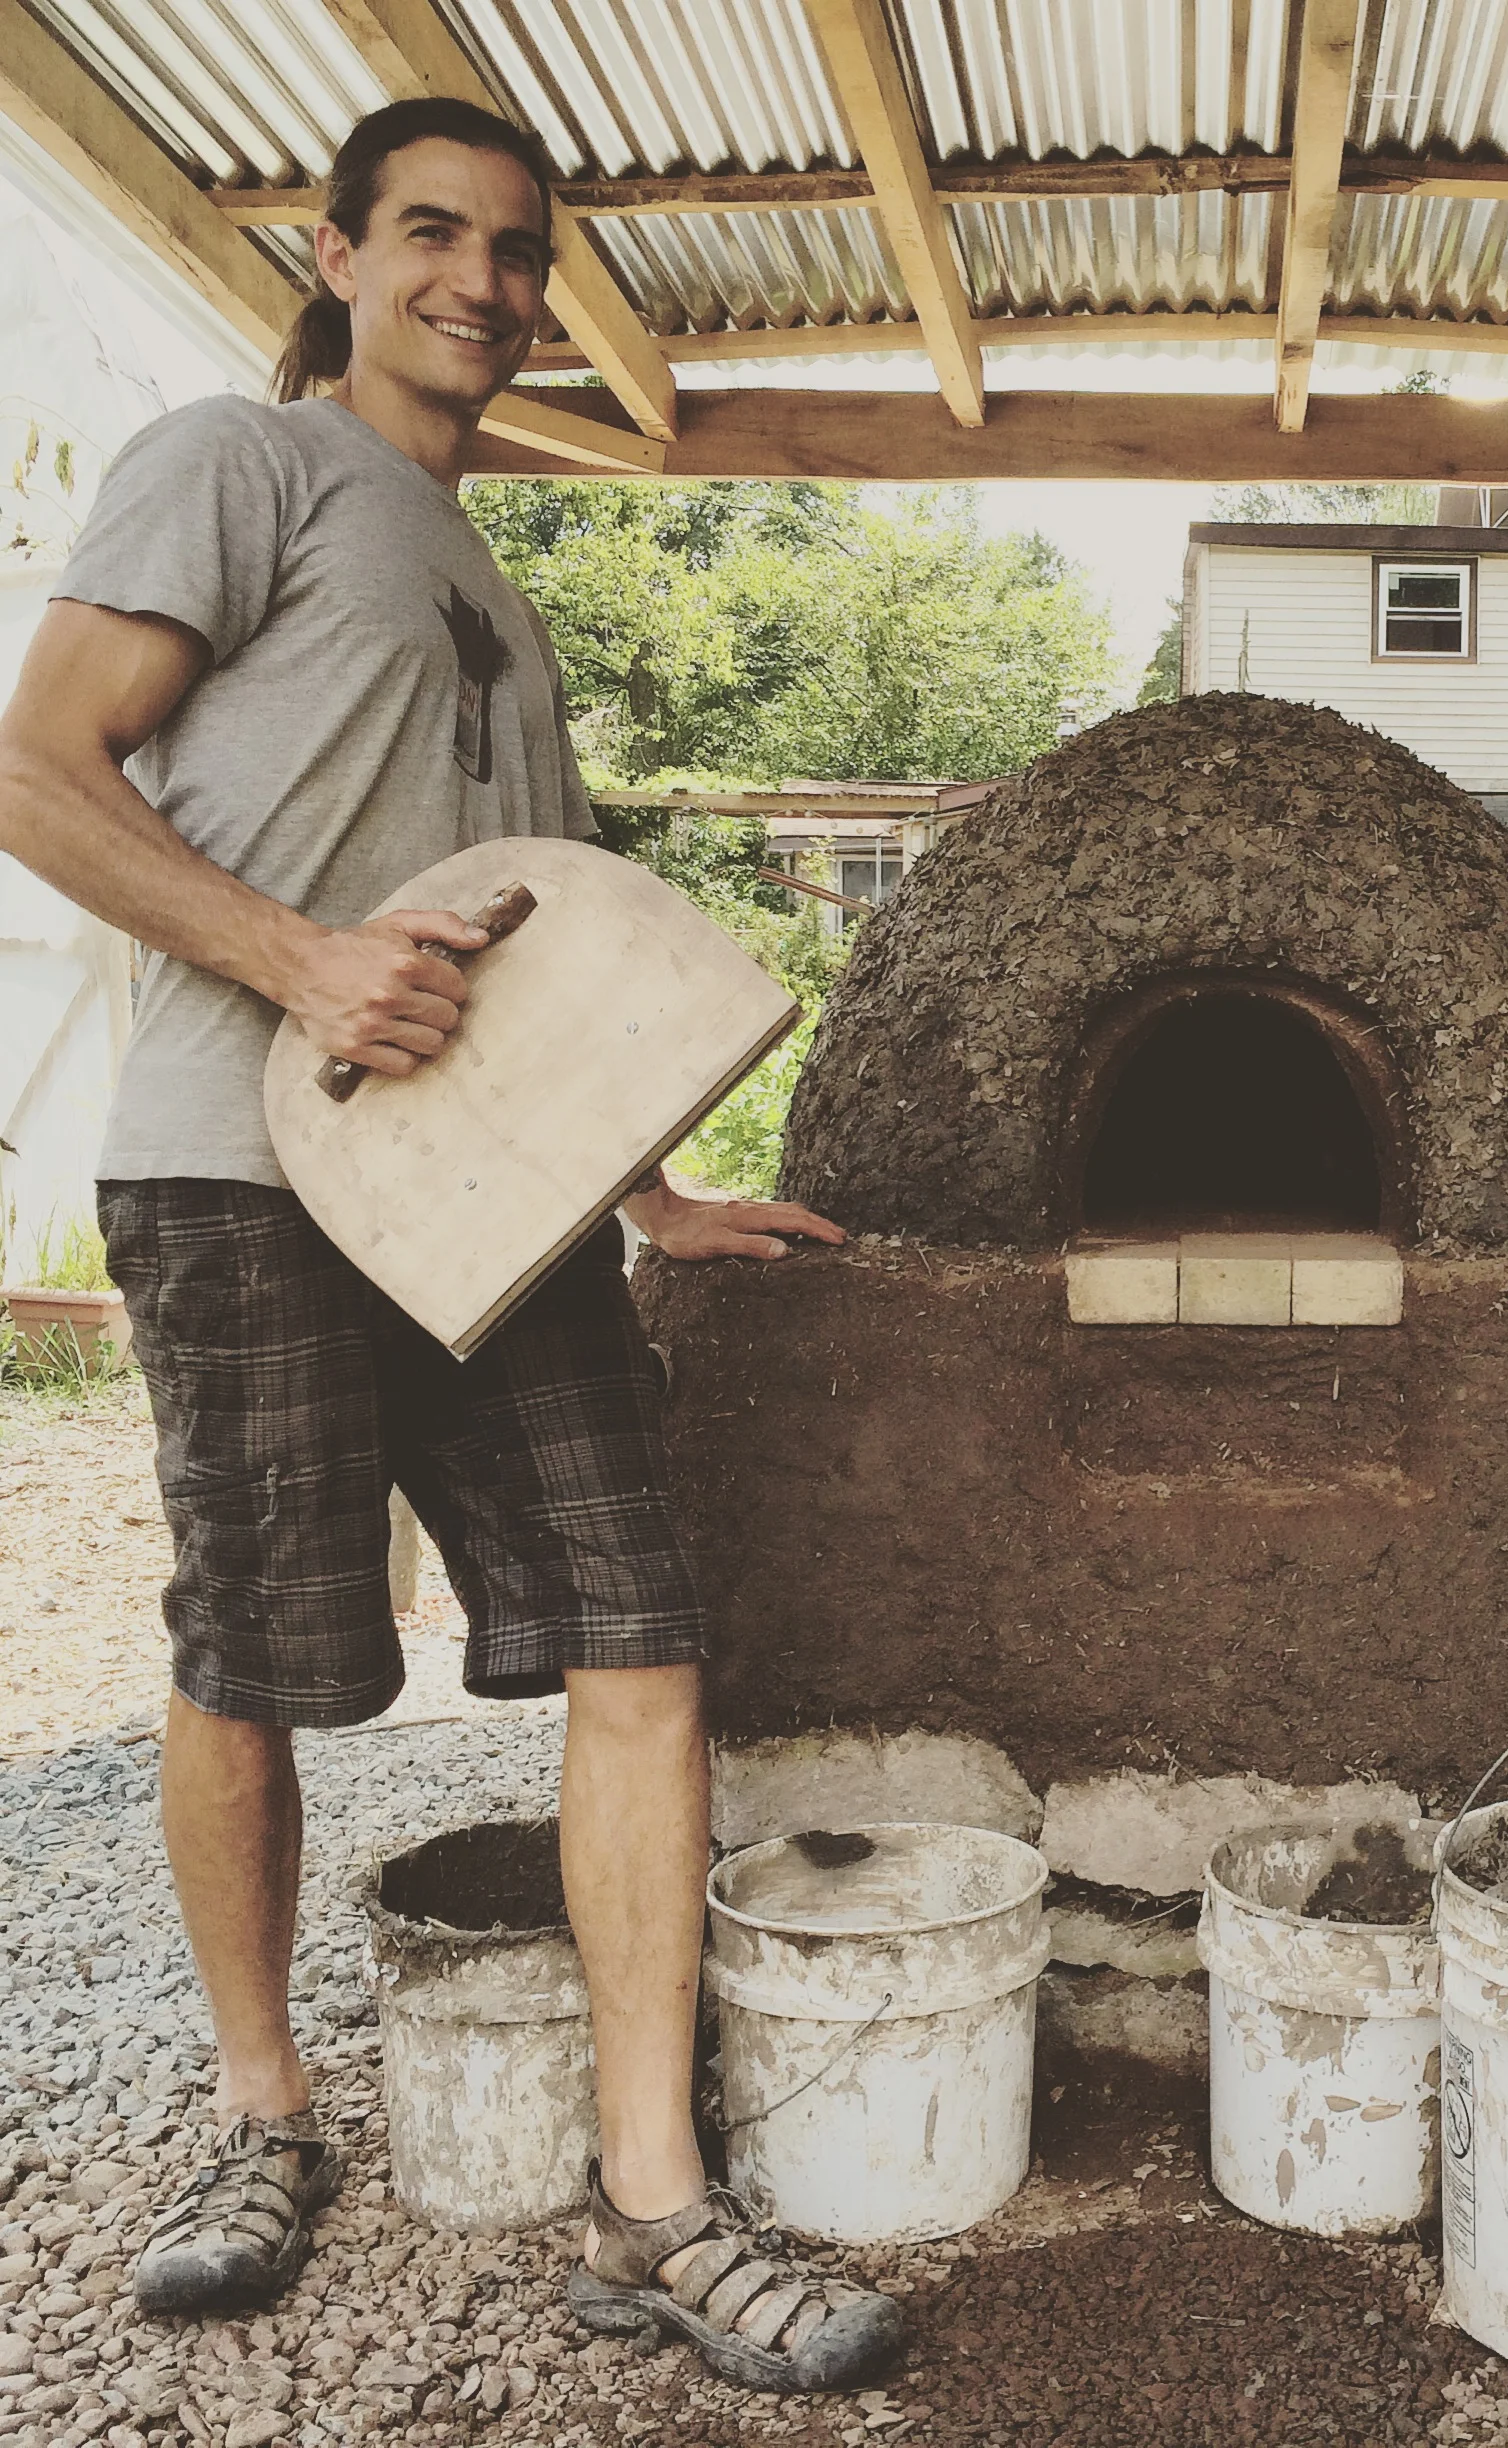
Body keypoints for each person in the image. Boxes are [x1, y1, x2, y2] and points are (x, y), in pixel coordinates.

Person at [0, 97, 902, 2389]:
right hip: (236, 1170)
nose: (482, 285)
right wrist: (300, 964)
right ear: (338, 250)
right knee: (252, 1657)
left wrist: (660, 1196)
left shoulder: (498, 586)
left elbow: (540, 980)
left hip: (497, 1224)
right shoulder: (239, 458)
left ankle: (652, 2201)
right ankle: (259, 2113)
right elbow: (37, 768)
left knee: (641, 1634)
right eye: (435, 236)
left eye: (519, 252)